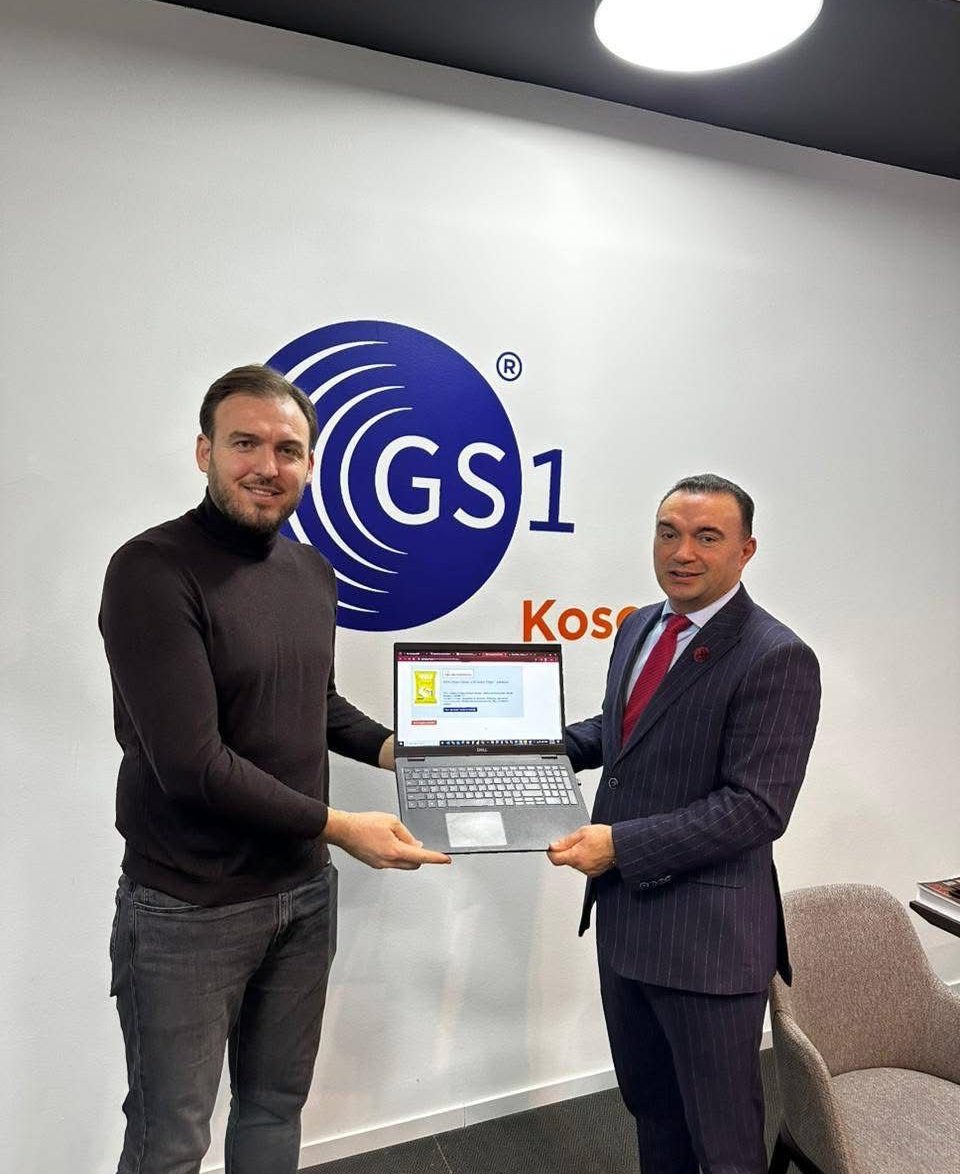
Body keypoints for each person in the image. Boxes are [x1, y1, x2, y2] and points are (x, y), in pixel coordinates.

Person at [100, 364, 450, 1174]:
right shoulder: (151, 570)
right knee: (169, 1139)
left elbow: (314, 704)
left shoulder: (311, 572)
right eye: (245, 444)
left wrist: (407, 753)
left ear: (311, 464)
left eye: (288, 450)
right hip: (189, 908)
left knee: (272, 1110)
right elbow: (192, 765)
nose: (267, 465)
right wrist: (340, 826)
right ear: (205, 452)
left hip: (301, 895)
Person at [548, 474, 820, 1174]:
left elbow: (756, 806)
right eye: (668, 533)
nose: (682, 552)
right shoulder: (641, 625)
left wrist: (620, 845)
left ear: (746, 550)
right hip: (625, 925)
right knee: (654, 1115)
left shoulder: (776, 655)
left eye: (707, 537)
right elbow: (623, 730)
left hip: (707, 946)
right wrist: (532, 747)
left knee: (724, 1145)